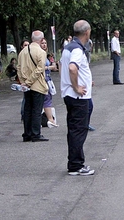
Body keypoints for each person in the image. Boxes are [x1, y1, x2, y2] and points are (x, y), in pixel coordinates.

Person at [59, 19, 94, 176]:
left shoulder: (68, 47)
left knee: (74, 130)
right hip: (78, 97)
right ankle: (76, 165)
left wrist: (83, 80)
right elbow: (73, 68)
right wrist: (76, 86)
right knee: (78, 130)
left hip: (69, 94)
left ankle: (74, 162)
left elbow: (64, 67)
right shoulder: (78, 50)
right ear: (87, 32)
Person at [17, 31, 49, 142]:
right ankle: (36, 134)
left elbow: (18, 68)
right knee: (36, 110)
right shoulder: (41, 52)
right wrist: (30, 81)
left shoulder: (23, 52)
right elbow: (40, 69)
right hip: (37, 85)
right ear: (41, 39)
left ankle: (27, 133)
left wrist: (23, 82)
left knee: (27, 109)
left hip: (26, 85)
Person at [39, 38, 58, 128]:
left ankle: (48, 118)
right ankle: (50, 119)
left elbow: (54, 66)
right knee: (46, 99)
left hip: (48, 78)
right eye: (42, 43)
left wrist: (49, 67)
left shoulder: (48, 55)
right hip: (42, 79)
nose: (44, 45)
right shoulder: (39, 55)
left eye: (45, 43)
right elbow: (42, 67)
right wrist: (49, 67)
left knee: (48, 97)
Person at [20, 40, 29, 122]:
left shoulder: (29, 54)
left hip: (30, 79)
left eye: (28, 45)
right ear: (22, 46)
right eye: (25, 45)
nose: (27, 47)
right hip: (25, 79)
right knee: (26, 97)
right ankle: (23, 114)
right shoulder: (22, 55)